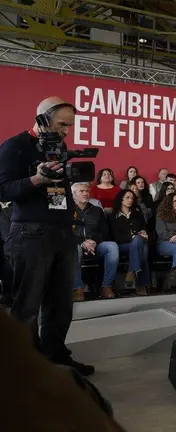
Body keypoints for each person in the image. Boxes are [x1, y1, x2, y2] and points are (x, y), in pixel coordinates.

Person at [0, 96, 94, 375]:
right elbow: (2, 189)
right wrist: (36, 179)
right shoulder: (15, 146)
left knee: (61, 303)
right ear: (42, 119)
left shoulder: (58, 148)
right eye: (62, 124)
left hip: (63, 232)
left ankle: (56, 357)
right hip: (30, 233)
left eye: (70, 126)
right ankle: (25, 366)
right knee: (27, 304)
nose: (66, 131)